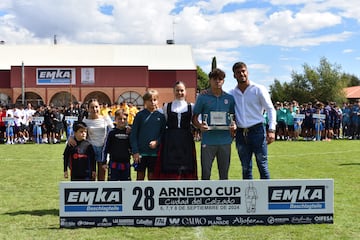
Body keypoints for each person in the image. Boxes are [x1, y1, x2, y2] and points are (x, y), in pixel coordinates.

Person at [229, 61, 276, 180]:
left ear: (247, 72)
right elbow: (229, 112)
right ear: (234, 75)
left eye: (243, 71)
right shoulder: (232, 93)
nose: (241, 74)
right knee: (245, 167)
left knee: (262, 165)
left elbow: (270, 109)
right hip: (240, 133)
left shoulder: (258, 89)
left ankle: (265, 196)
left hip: (257, 131)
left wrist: (271, 129)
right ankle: (248, 197)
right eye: (238, 72)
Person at [192, 68, 236, 180]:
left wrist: (234, 125)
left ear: (224, 81)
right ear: (210, 80)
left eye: (220, 79)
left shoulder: (229, 98)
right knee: (206, 175)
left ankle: (224, 198)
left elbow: (233, 117)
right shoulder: (202, 97)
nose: (217, 81)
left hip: (225, 141)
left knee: (224, 175)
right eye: (214, 79)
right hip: (208, 141)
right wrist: (200, 126)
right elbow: (194, 118)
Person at [154, 81, 198, 180]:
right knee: (169, 164)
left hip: (186, 140)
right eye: (177, 90)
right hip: (170, 140)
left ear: (185, 91)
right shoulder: (166, 107)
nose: (179, 93)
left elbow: (197, 121)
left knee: (186, 164)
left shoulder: (192, 106)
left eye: (182, 90)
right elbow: (156, 118)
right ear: (173, 91)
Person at [68, 99, 114, 181]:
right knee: (91, 175)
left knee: (102, 175)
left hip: (102, 150)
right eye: (92, 107)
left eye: (96, 107)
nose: (95, 109)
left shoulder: (105, 119)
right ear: (88, 109)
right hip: (89, 149)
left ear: (99, 107)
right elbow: (77, 131)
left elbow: (114, 130)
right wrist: (70, 138)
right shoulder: (85, 120)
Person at [130, 89, 166, 181]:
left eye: (155, 100)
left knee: (152, 178)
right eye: (150, 100)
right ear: (145, 101)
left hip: (155, 154)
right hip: (141, 153)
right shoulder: (140, 115)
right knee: (140, 177)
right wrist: (135, 151)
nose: (153, 102)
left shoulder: (161, 116)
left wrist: (157, 142)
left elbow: (164, 133)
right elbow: (133, 134)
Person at [102, 110, 132, 181]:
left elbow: (133, 146)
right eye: (119, 119)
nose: (122, 121)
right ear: (115, 119)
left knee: (126, 186)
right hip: (113, 165)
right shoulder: (111, 133)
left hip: (126, 164)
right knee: (112, 186)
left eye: (124, 119)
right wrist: (104, 162)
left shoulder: (129, 132)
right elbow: (105, 148)